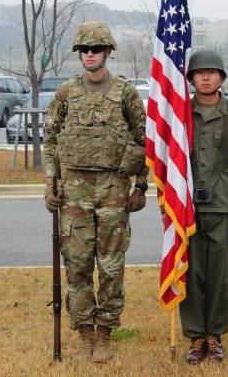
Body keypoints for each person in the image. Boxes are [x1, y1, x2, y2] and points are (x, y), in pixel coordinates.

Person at [44, 20, 148, 363]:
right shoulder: (65, 93)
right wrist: (50, 183)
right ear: (79, 54)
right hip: (73, 191)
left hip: (113, 189)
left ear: (108, 52)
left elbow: (143, 141)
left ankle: (105, 332)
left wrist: (141, 186)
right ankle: (84, 333)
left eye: (96, 49)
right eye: (84, 50)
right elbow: (50, 141)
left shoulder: (126, 93)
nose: (90, 55)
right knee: (76, 264)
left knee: (111, 266)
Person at [179, 49, 228, 364]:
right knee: (191, 274)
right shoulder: (179, 115)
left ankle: (215, 336)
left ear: (221, 77)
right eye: (200, 72)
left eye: (212, 72)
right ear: (191, 78)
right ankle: (195, 338)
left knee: (220, 275)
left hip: (223, 205)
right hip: (187, 207)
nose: (206, 77)